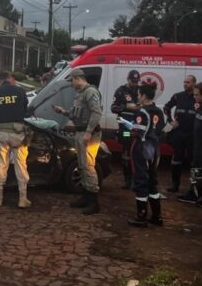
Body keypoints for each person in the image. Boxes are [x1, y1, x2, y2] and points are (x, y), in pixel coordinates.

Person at [53, 68, 103, 215]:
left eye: (72, 81)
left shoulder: (90, 92)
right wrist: (64, 112)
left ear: (77, 78)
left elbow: (96, 113)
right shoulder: (81, 94)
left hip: (89, 134)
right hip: (80, 132)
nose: (71, 84)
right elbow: (78, 114)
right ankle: (86, 196)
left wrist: (88, 132)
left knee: (88, 166)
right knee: (82, 166)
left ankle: (94, 201)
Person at [0, 71, 31, 208]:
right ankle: (22, 199)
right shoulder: (21, 92)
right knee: (21, 164)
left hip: (2, 133)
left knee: (1, 164)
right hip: (18, 134)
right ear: (10, 79)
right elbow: (25, 111)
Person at [125, 82, 166, 227]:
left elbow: (137, 132)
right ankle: (157, 216)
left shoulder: (141, 112)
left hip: (142, 149)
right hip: (155, 148)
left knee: (140, 181)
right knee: (152, 181)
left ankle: (141, 217)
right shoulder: (159, 111)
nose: (137, 97)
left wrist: (127, 127)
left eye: (138, 95)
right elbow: (161, 129)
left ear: (143, 96)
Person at [163, 75, 197, 193]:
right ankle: (175, 185)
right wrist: (170, 121)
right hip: (179, 133)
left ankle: (193, 188)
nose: (185, 84)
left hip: (192, 135)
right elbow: (166, 107)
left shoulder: (198, 98)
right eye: (184, 82)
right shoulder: (178, 96)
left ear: (194, 83)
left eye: (188, 82)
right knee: (176, 159)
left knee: (193, 161)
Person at [111, 70, 141, 189]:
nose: (135, 83)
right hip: (125, 128)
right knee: (126, 152)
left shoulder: (140, 91)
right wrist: (125, 106)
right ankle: (127, 179)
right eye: (133, 81)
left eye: (137, 81)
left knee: (137, 153)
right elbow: (113, 108)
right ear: (128, 80)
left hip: (138, 127)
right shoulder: (121, 91)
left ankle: (135, 179)